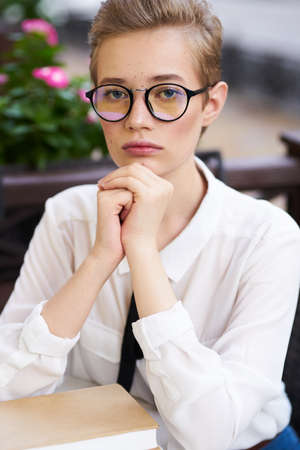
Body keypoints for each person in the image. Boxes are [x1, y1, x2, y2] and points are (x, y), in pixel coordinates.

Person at [0, 0, 300, 449]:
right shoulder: (68, 215)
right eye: (117, 93)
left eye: (166, 93)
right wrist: (101, 258)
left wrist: (141, 252)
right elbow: (5, 386)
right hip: (94, 439)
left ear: (211, 104)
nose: (137, 120)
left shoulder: (266, 237)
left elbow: (212, 434)